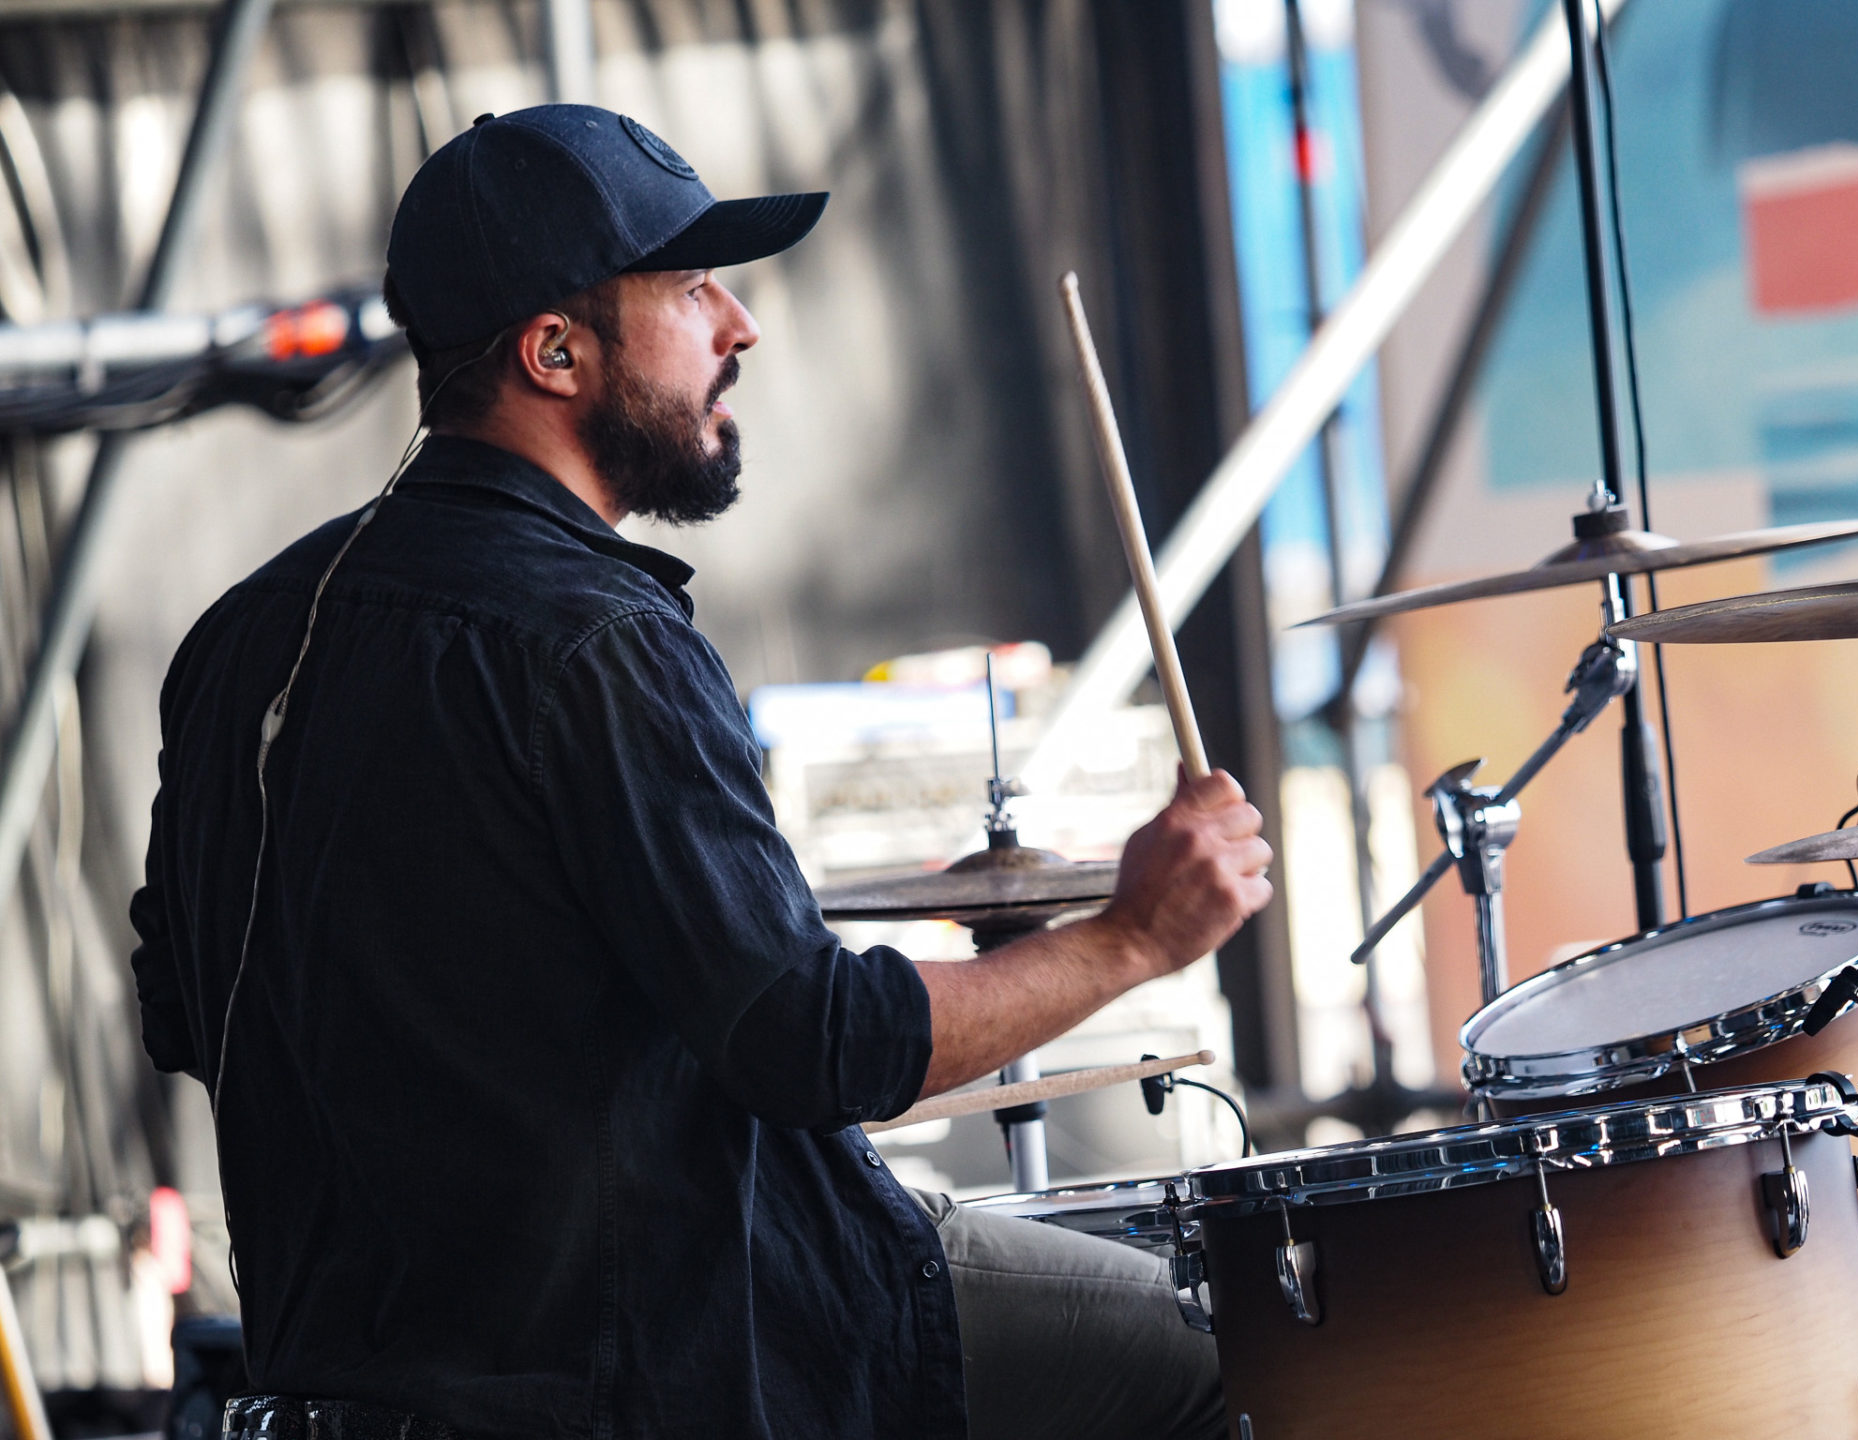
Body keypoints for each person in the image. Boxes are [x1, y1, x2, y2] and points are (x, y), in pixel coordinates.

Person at [129, 105, 1271, 1440]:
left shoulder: (241, 639)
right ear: (556, 351)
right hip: (673, 1370)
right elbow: (816, 1045)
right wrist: (1135, 936)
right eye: (689, 288)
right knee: (1240, 1356)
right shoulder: (597, 641)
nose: (741, 326)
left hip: (347, 1389)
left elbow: (182, 1010)